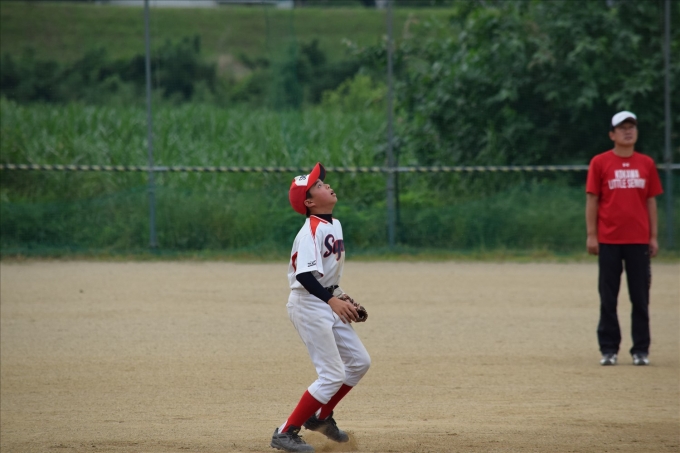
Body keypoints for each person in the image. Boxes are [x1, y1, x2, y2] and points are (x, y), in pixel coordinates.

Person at [270, 162, 371, 452]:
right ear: (310, 202)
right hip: (308, 305)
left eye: (322, 182)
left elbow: (325, 277)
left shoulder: (333, 225)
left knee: (359, 362)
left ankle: (321, 417)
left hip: (325, 301)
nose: (326, 184)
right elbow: (304, 276)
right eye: (317, 185)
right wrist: (331, 301)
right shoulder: (310, 231)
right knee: (331, 374)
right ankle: (285, 432)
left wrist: (343, 298)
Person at [585, 111, 663, 367]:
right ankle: (609, 349)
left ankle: (640, 349)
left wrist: (653, 236)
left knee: (640, 298)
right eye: (622, 128)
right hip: (609, 239)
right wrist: (592, 235)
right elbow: (592, 199)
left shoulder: (646, 163)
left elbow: (650, 201)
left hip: (638, 240)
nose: (628, 131)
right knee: (608, 297)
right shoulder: (600, 162)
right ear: (612, 135)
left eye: (632, 127)